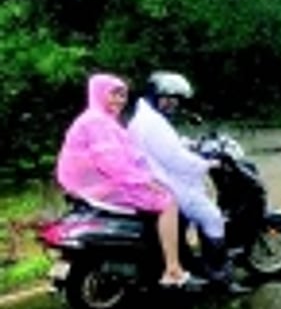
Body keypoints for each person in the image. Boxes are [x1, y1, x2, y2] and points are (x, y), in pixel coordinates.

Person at [55, 73, 202, 288]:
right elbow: (112, 163)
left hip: (92, 184)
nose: (120, 100)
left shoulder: (99, 118)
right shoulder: (98, 122)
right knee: (168, 202)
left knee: (159, 194)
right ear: (98, 94)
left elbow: (127, 152)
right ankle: (173, 269)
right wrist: (143, 181)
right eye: (113, 94)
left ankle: (158, 259)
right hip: (102, 185)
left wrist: (148, 171)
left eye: (123, 95)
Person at [128, 71, 250, 294]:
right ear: (155, 96)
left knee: (196, 216)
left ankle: (192, 264)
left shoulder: (145, 118)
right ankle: (219, 277)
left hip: (156, 176)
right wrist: (207, 164)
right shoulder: (153, 123)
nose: (171, 104)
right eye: (167, 99)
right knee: (211, 217)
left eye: (175, 100)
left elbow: (169, 146)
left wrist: (187, 144)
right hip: (168, 181)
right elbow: (176, 160)